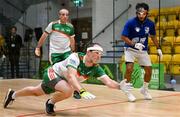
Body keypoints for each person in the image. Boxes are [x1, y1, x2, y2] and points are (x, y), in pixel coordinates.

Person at [3, 43, 130, 116]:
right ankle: (50, 103)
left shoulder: (96, 68)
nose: (99, 56)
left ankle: (12, 94)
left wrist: (119, 86)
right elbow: (71, 76)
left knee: (36, 91)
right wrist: (82, 91)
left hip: (62, 81)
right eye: (97, 53)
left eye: (101, 54)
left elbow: (108, 82)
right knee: (68, 90)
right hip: (53, 73)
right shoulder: (74, 57)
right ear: (88, 52)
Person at [121, 3, 163, 102]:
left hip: (142, 50)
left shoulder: (150, 23)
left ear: (147, 13)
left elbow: (153, 37)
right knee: (129, 68)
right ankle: (128, 92)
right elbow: (123, 37)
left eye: (143, 13)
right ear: (136, 13)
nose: (141, 15)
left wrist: (158, 48)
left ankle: (144, 89)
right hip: (130, 49)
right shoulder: (130, 22)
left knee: (149, 70)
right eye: (139, 13)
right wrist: (133, 44)